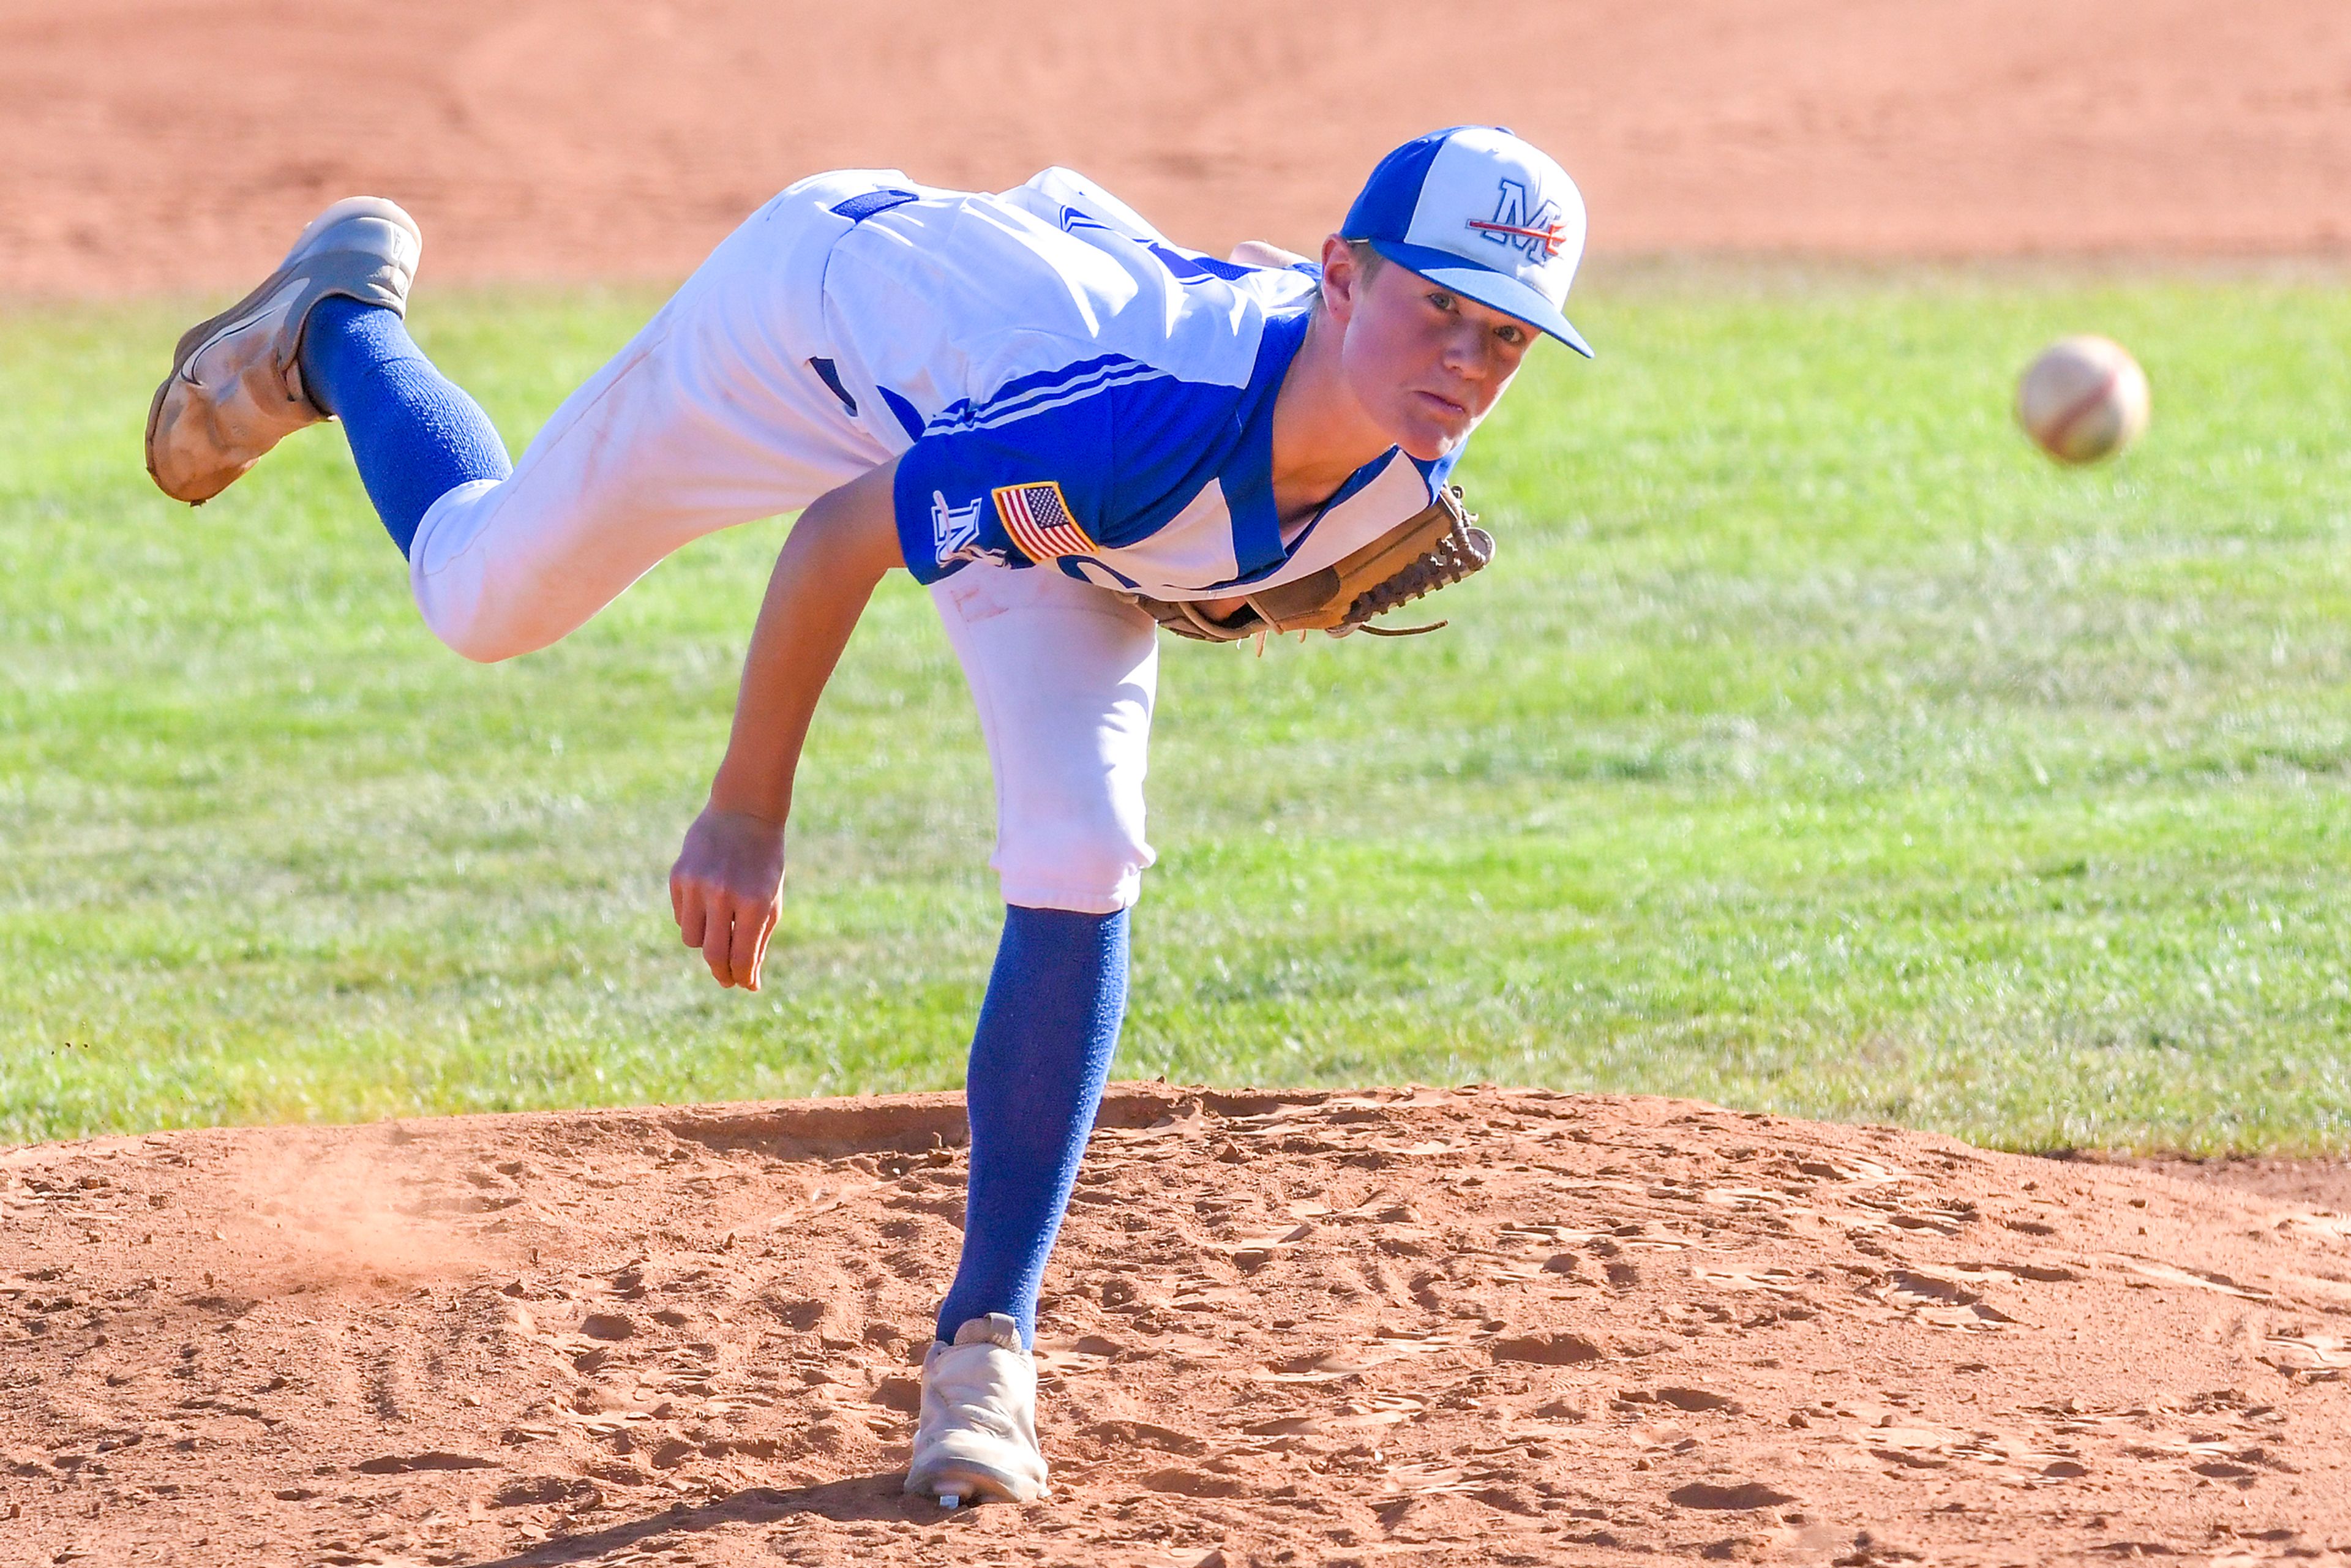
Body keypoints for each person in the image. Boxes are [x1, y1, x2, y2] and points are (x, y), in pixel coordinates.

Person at [144, 125, 1592, 1507]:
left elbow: (1182, 481)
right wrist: (745, 812)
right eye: (1438, 308)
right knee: (480, 597)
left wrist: (1211, 555)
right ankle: (335, 324)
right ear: (1343, 277)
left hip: (1010, 428)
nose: (1467, 365)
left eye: (1508, 336)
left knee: (1082, 846)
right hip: (813, 328)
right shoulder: (1135, 421)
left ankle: (987, 1355)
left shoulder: (1409, 431)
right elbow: (844, 533)